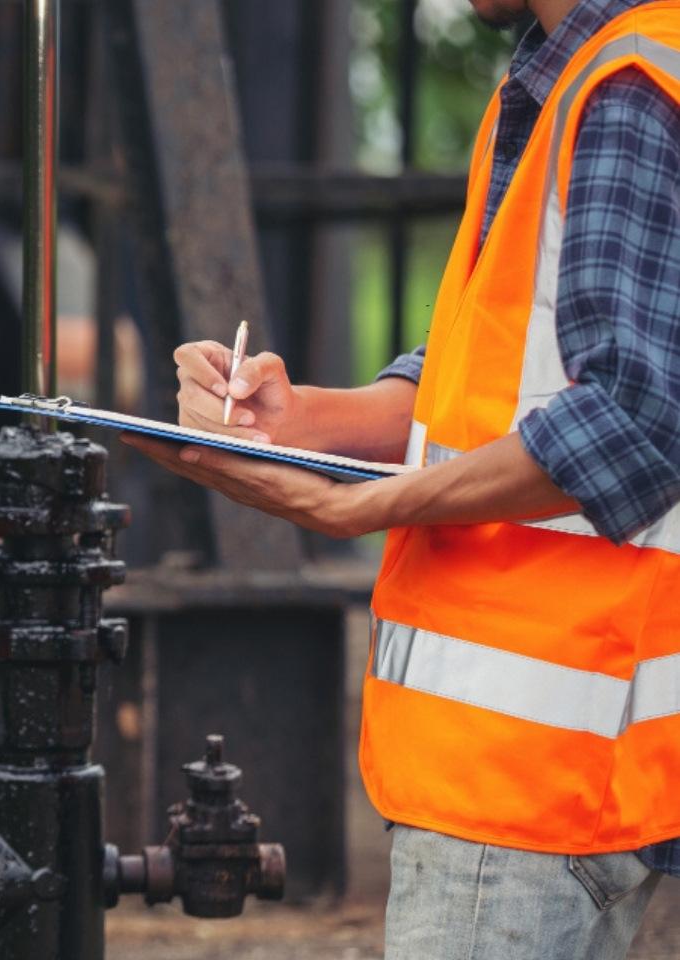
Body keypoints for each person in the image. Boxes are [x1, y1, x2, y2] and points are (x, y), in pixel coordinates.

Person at [121, 1, 680, 957]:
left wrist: (372, 506)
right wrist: (292, 423)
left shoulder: (626, 89)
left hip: (527, 780)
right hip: (564, 770)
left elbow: (633, 416)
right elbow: (492, 382)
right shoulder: (570, 77)